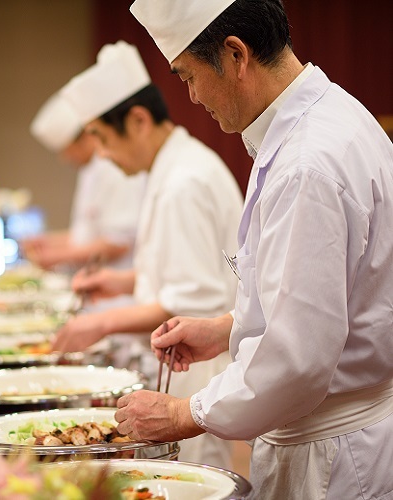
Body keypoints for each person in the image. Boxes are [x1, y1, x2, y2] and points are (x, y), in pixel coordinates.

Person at [115, 0, 393, 498]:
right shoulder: (331, 115)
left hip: (334, 457)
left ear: (236, 56)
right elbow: (333, 299)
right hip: (340, 436)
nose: (193, 98)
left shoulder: (308, 162)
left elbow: (299, 360)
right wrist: (228, 329)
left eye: (189, 78)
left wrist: (184, 411)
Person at [54, 40, 244, 468]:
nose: (100, 154)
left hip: (196, 375)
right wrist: (121, 282)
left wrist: (99, 323)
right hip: (182, 369)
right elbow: (179, 267)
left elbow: (191, 300)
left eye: (101, 139)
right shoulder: (171, 167)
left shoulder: (184, 181)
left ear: (138, 121)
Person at [22, 87, 147, 272]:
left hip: (117, 287)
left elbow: (119, 241)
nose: (65, 158)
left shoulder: (115, 165)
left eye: (65, 150)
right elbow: (86, 234)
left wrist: (56, 257)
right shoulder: (89, 169)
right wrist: (49, 243)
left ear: (86, 136)